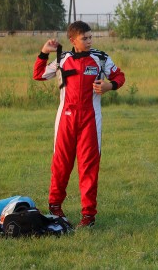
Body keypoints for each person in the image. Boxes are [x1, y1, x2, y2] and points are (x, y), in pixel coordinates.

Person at [33, 21, 125, 228]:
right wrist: (44, 52)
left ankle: (88, 216)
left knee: (89, 167)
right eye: (85, 38)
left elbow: (119, 76)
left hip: (90, 120)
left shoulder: (101, 58)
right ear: (73, 40)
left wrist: (109, 85)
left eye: (91, 37)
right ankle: (55, 207)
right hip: (65, 119)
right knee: (61, 164)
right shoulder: (62, 59)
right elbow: (38, 74)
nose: (89, 41)